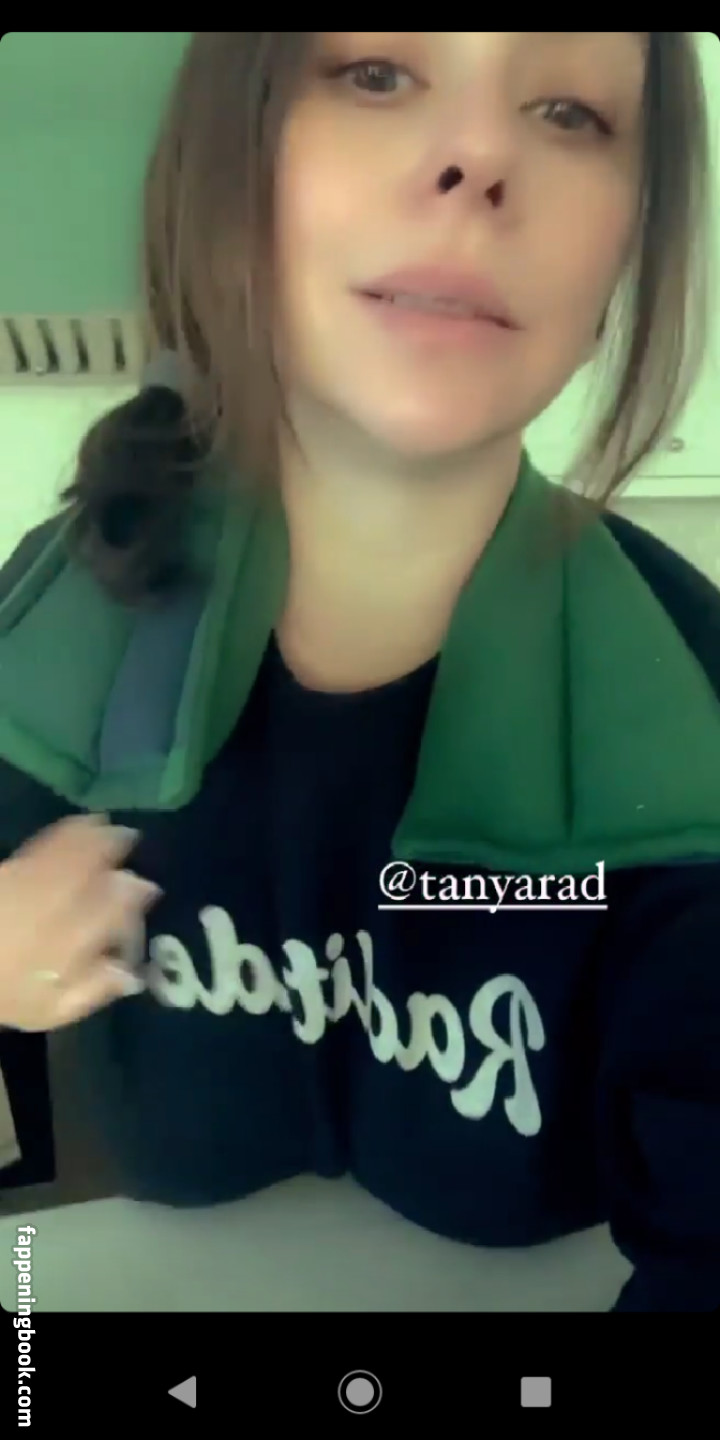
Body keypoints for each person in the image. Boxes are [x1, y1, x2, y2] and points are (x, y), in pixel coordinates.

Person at [0, 32, 718, 1312]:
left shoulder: (686, 704)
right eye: (377, 73)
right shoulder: (58, 614)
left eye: (568, 110)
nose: (480, 154)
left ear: (628, 243)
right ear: (230, 161)